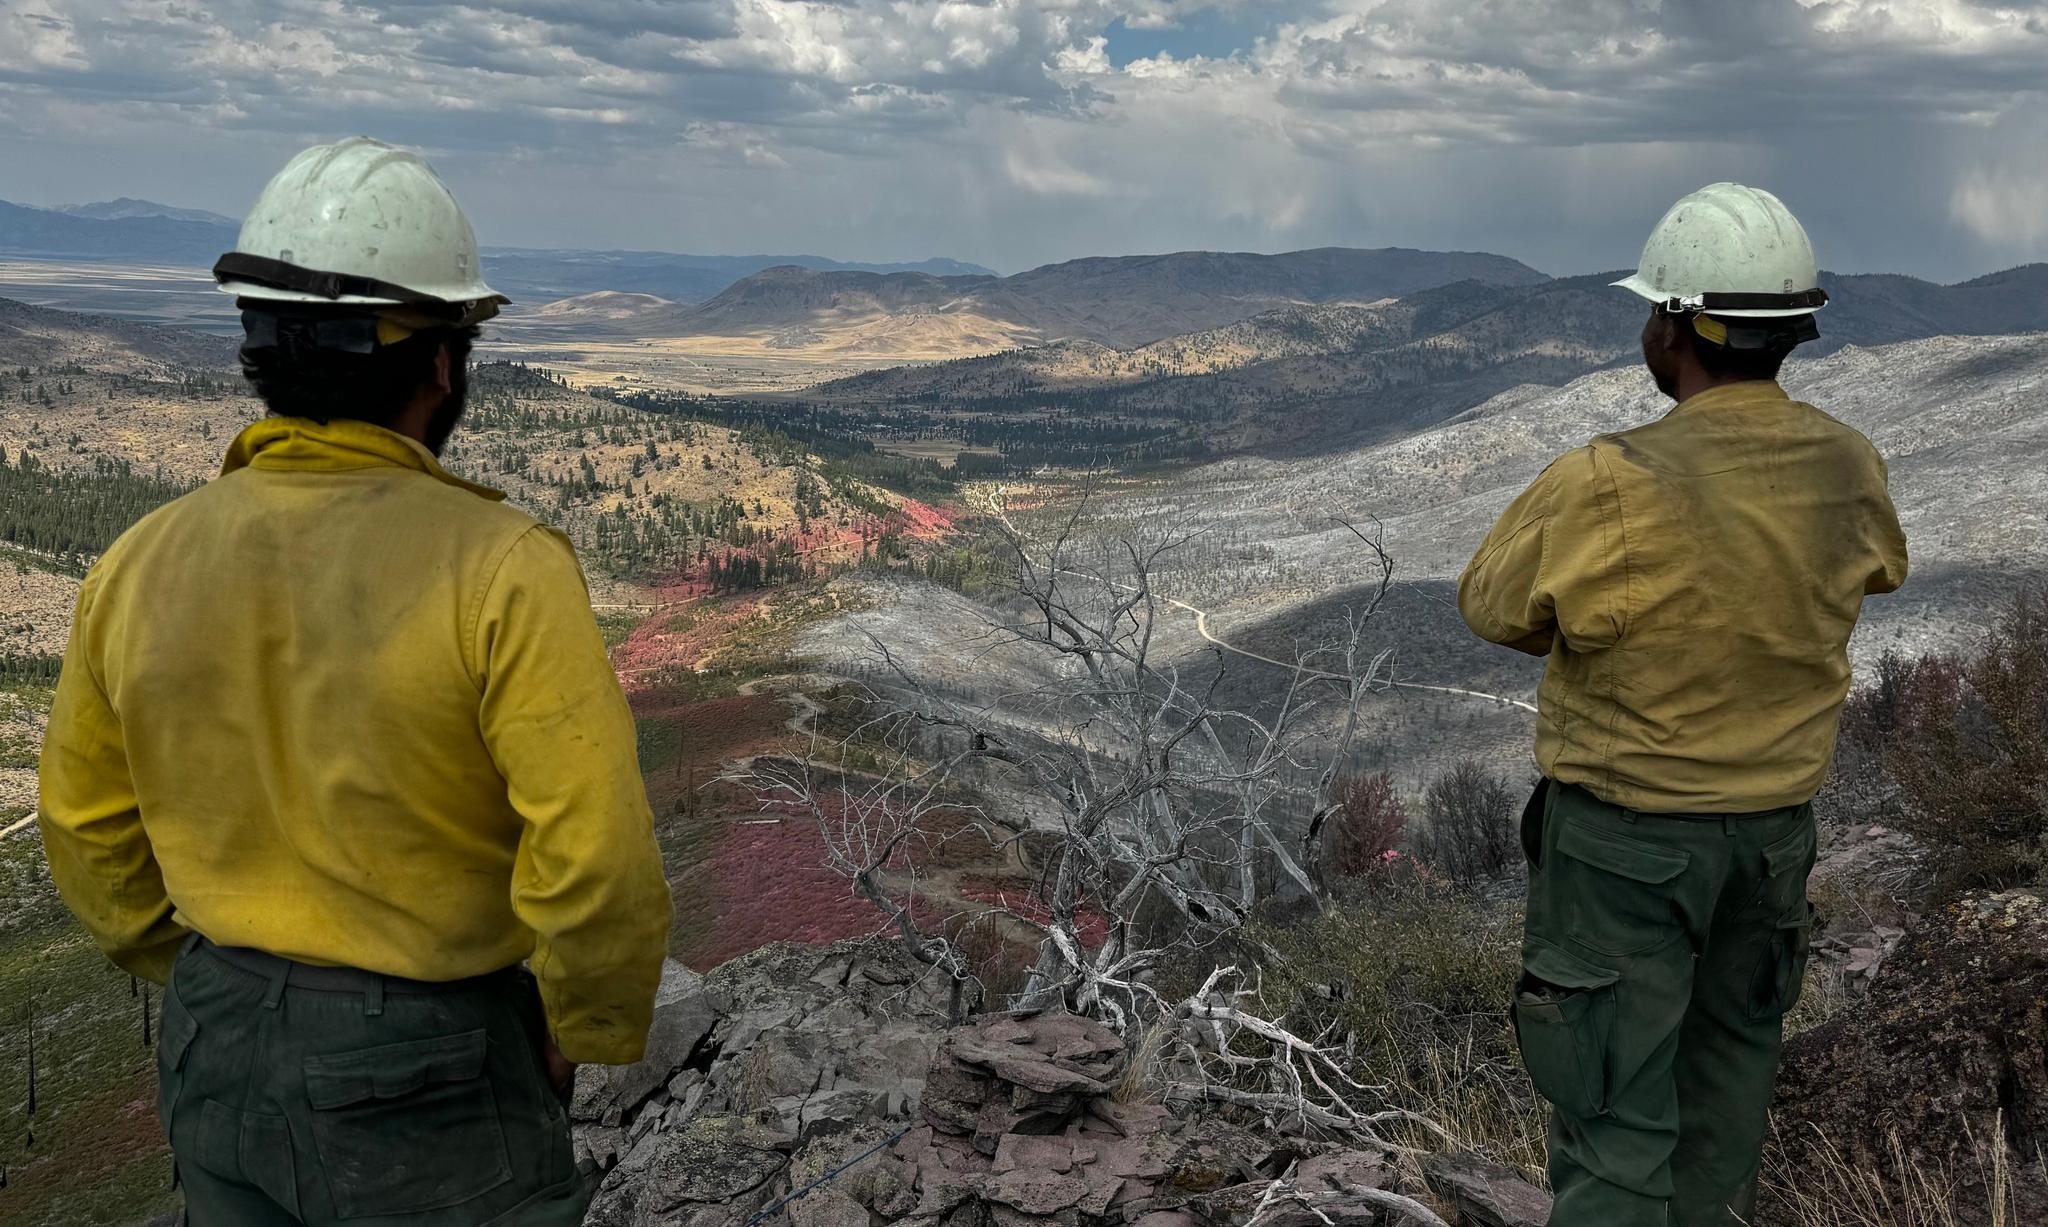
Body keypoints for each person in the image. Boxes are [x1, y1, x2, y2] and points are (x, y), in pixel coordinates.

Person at [35, 136, 673, 1224]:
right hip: (430, 1059)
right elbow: (595, 857)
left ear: (259, 351)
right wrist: (581, 1031)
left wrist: (201, 971)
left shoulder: (138, 562)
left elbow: (85, 825)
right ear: (437, 363)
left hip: (213, 1038)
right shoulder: (501, 566)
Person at [1457, 182, 1909, 1225]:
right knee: (1723, 1100)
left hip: (1622, 845)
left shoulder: (1606, 478)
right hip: (1770, 841)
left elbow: (1493, 605)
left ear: (1673, 327)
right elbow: (1875, 568)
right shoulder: (1847, 463)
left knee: (1612, 1116)